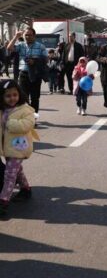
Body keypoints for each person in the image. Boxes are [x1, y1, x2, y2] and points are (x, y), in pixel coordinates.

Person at [0, 79, 36, 216]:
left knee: (10, 174)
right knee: (17, 170)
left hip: (18, 147)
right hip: (7, 147)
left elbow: (27, 124)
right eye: (8, 96)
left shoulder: (25, 109)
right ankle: (26, 190)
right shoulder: (3, 109)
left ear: (19, 94)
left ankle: (3, 201)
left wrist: (11, 123)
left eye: (14, 94)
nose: (12, 98)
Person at [6, 27, 48, 118]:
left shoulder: (41, 46)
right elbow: (9, 48)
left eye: (29, 35)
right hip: (23, 74)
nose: (27, 37)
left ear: (34, 36)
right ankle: (26, 116)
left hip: (36, 75)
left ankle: (33, 117)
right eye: (26, 35)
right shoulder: (21, 45)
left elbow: (45, 60)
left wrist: (35, 61)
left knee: (35, 98)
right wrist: (16, 36)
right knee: (23, 97)